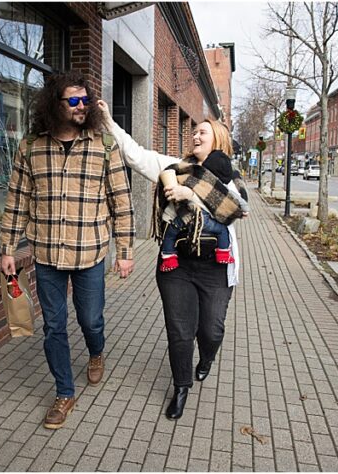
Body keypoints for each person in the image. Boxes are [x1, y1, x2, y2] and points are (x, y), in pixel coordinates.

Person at [0, 72, 135, 430]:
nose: (80, 107)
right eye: (72, 101)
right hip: (46, 255)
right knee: (54, 326)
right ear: (53, 104)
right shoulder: (30, 147)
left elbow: (121, 202)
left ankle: (95, 352)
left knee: (91, 319)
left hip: (90, 253)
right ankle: (63, 392)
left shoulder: (104, 145)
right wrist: (8, 247)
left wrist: (125, 250)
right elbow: (18, 200)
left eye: (84, 100)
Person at [97, 99, 248, 420]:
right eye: (194, 132)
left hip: (217, 267)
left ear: (218, 139)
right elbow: (137, 156)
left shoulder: (229, 176)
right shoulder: (175, 167)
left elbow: (237, 208)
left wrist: (192, 195)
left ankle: (206, 359)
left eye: (203, 132)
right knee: (180, 331)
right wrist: (109, 122)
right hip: (176, 263)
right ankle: (181, 387)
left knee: (211, 329)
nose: (195, 136)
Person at [158, 151, 250, 272]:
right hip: (207, 222)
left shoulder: (193, 179)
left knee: (170, 233)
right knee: (222, 230)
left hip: (185, 217)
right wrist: (242, 211)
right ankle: (223, 253)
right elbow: (242, 204)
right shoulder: (224, 190)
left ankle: (168, 256)